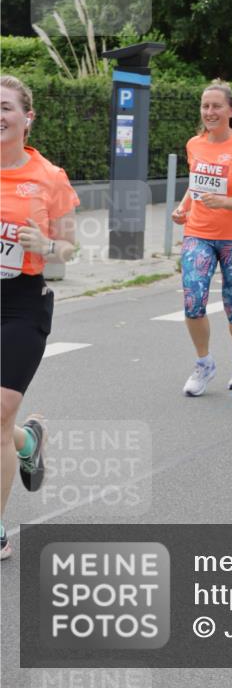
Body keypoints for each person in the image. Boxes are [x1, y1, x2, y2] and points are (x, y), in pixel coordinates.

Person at [1, 75, 79, 560]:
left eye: (6, 107)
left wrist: (46, 245)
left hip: (22, 303)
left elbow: (69, 248)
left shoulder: (49, 177)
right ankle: (28, 441)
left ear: (26, 117)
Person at [172, 80, 232, 394]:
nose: (209, 112)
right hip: (199, 233)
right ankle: (204, 364)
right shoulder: (195, 144)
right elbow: (196, 184)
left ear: (230, 111)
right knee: (193, 300)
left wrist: (223, 201)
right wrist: (183, 206)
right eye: (205, 106)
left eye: (216, 106)